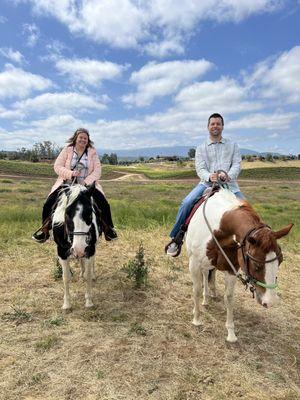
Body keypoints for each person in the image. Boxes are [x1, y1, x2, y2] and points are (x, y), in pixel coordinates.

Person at [166, 113, 245, 257]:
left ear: (223, 126)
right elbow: (200, 169)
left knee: (247, 209)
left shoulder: (233, 146)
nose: (215, 126)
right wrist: (209, 176)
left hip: (230, 186)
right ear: (208, 127)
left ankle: (252, 246)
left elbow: (237, 165)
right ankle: (176, 238)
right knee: (186, 203)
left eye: (218, 124)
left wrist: (227, 176)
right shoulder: (201, 148)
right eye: (212, 124)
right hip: (207, 183)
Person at [32, 128, 118, 243]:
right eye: (81, 137)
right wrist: (70, 174)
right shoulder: (67, 149)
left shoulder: (92, 152)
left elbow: (98, 171)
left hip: (87, 186)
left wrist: (85, 182)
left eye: (85, 138)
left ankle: (109, 229)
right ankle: (44, 230)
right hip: (67, 184)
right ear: (76, 138)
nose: (83, 140)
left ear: (88, 140)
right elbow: (57, 166)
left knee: (104, 204)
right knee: (49, 203)